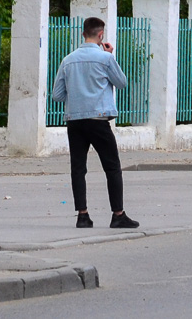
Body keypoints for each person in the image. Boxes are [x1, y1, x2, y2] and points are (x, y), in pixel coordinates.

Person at [50, 17, 139, 229]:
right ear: (101, 36)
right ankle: (118, 214)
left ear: (83, 34)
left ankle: (83, 215)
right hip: (98, 120)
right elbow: (122, 83)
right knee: (112, 167)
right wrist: (109, 56)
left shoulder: (68, 60)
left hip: (75, 121)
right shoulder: (105, 59)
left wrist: (78, 95)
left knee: (78, 168)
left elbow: (57, 95)